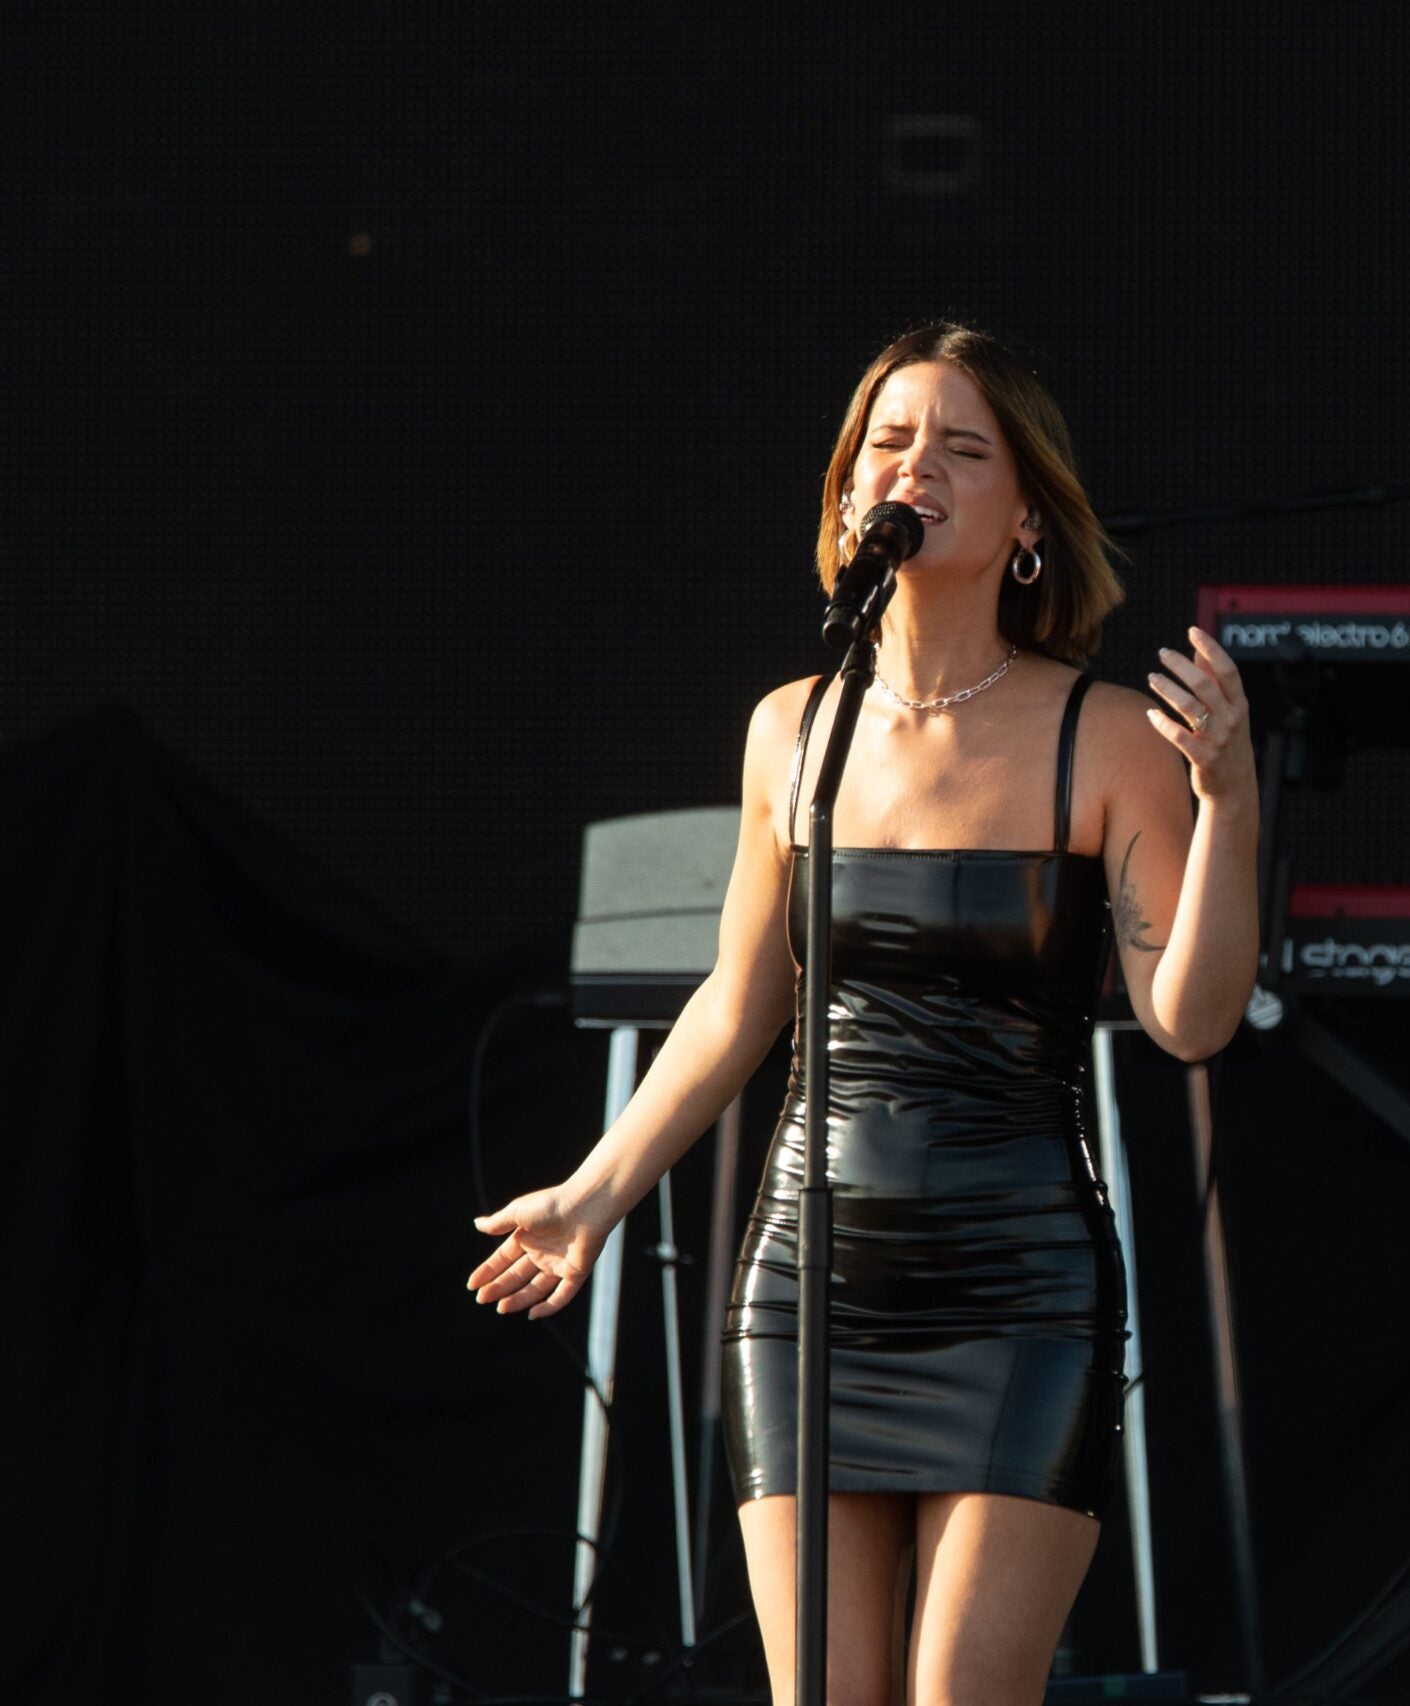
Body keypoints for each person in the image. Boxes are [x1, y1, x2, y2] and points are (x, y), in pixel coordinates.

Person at [464, 322, 1261, 1705]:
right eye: (891, 442)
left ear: (1028, 518)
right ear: (849, 496)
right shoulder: (796, 729)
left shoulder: (1108, 735)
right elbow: (741, 996)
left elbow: (1188, 1020)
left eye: (964, 448)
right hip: (811, 1277)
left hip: (1022, 1285)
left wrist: (1232, 804)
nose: (920, 468)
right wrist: (596, 1194)